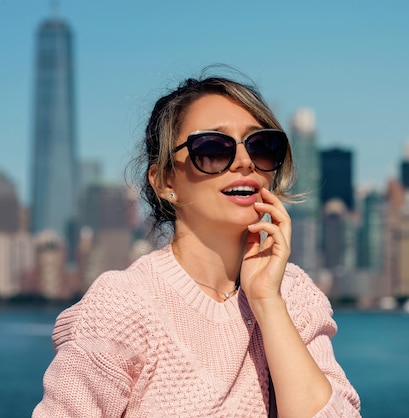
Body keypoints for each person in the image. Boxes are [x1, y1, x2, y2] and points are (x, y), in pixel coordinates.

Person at [33, 69, 361, 417]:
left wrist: (267, 301)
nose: (245, 161)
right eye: (212, 149)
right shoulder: (124, 304)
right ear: (165, 182)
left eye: (262, 146)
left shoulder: (293, 294)